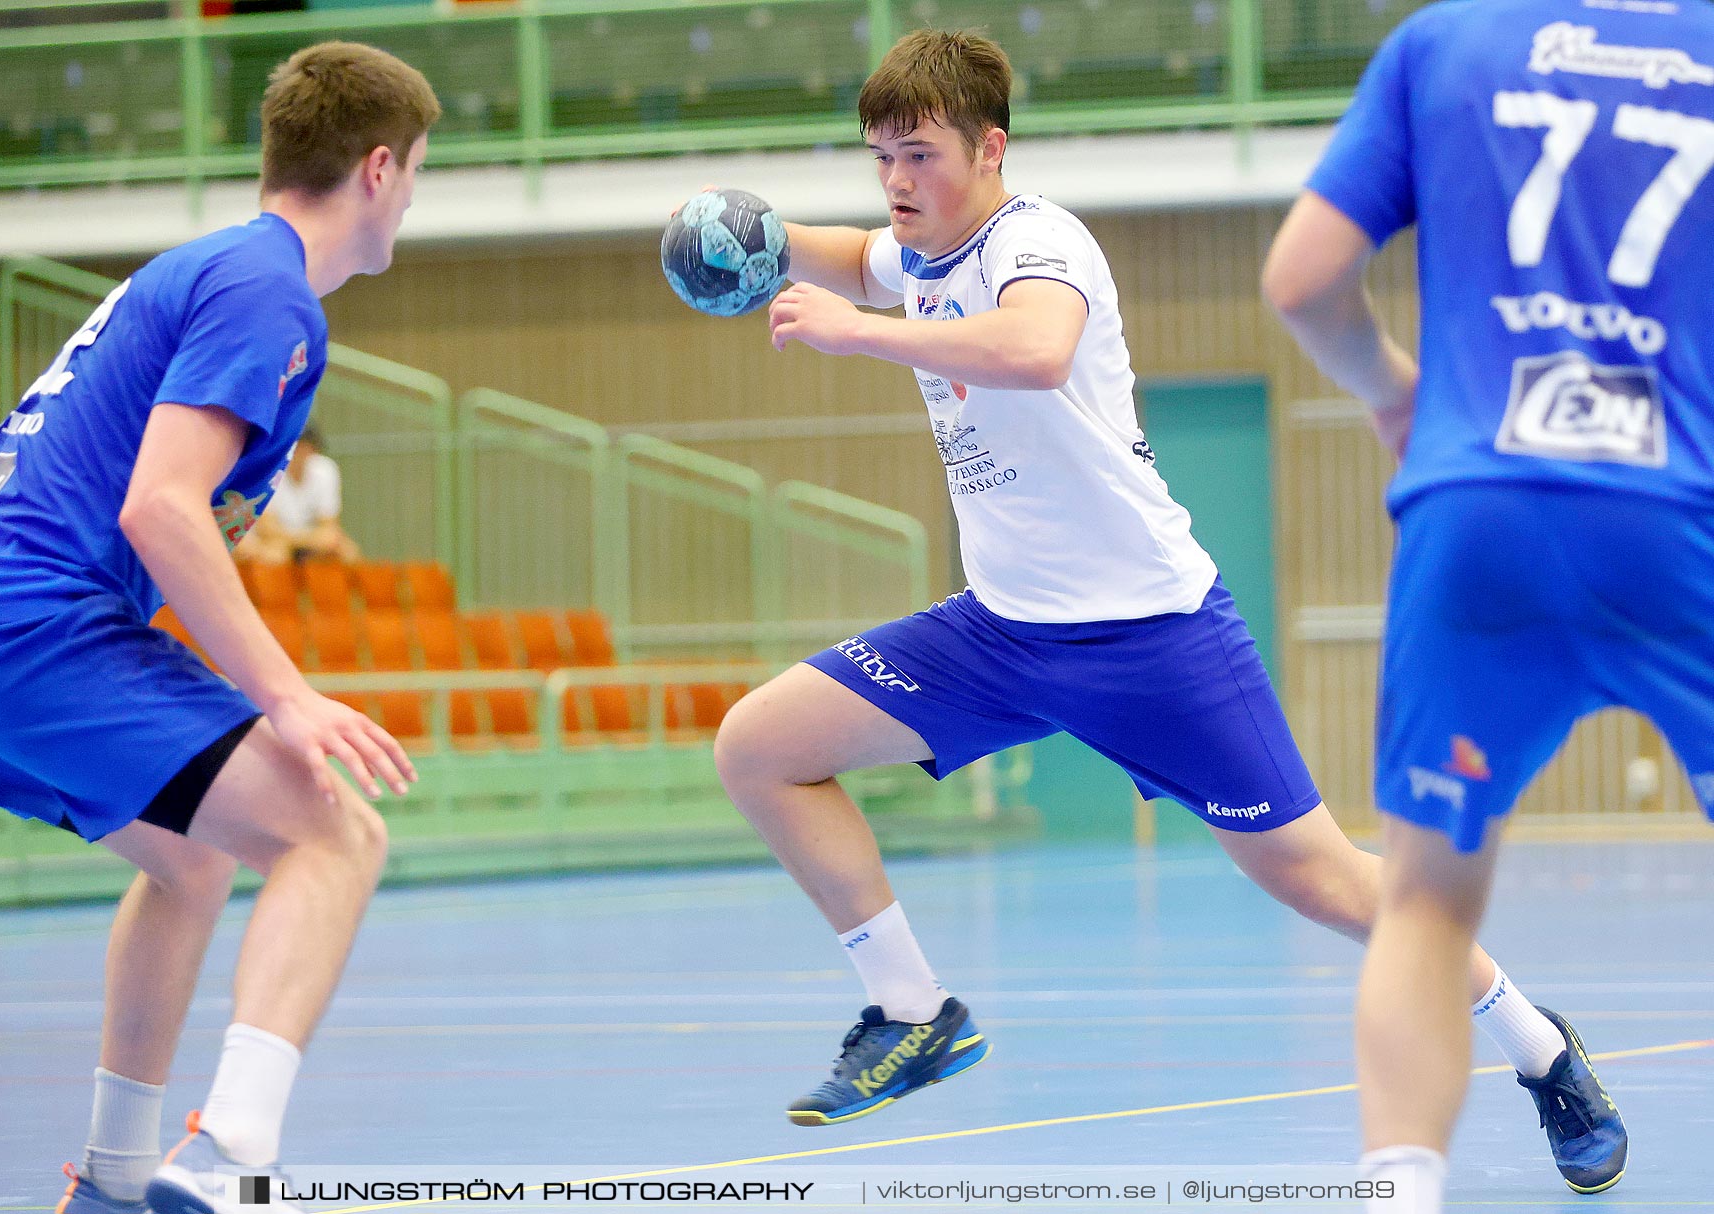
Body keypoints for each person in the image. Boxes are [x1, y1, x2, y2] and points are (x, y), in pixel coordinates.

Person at [710, 27, 1623, 1188]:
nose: (897, 182)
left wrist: (858, 334)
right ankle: (912, 1007)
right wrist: (751, 232)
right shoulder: (918, 252)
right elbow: (846, 252)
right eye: (881, 155)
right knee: (760, 747)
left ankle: (1538, 1046)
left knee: (1328, 882)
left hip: (1155, 637)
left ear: (991, 151)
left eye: (922, 155)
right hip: (1000, 632)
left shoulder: (1039, 240)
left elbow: (1037, 350)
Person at [0, 41, 437, 1214]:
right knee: (333, 834)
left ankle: (111, 1175)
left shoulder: (214, 267)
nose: (408, 198)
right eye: (415, 176)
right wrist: (288, 696)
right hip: (22, 619)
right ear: (379, 169)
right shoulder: (266, 290)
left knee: (189, 856)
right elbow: (161, 506)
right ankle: (233, 1149)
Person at [1264, 0, 1714, 1207]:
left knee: (1419, 903)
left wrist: (1395, 392)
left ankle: (1401, 1189)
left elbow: (1303, 280)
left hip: (1479, 507)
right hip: (1681, 513)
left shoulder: (1443, 42)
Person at [239, 425, 362, 564]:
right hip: (276, 540)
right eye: (298, 447)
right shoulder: (270, 470)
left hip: (304, 539)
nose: (302, 453)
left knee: (348, 552)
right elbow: (266, 528)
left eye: (307, 448)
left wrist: (315, 540)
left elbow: (329, 525)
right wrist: (308, 540)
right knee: (273, 556)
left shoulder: (325, 469)